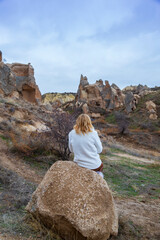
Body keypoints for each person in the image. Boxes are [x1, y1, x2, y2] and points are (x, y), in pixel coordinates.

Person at [68, 114, 104, 178]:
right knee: (101, 165)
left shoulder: (71, 133)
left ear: (77, 122)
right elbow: (99, 150)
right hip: (94, 166)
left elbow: (71, 150)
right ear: (89, 122)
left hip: (79, 164)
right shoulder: (93, 133)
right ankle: (98, 176)